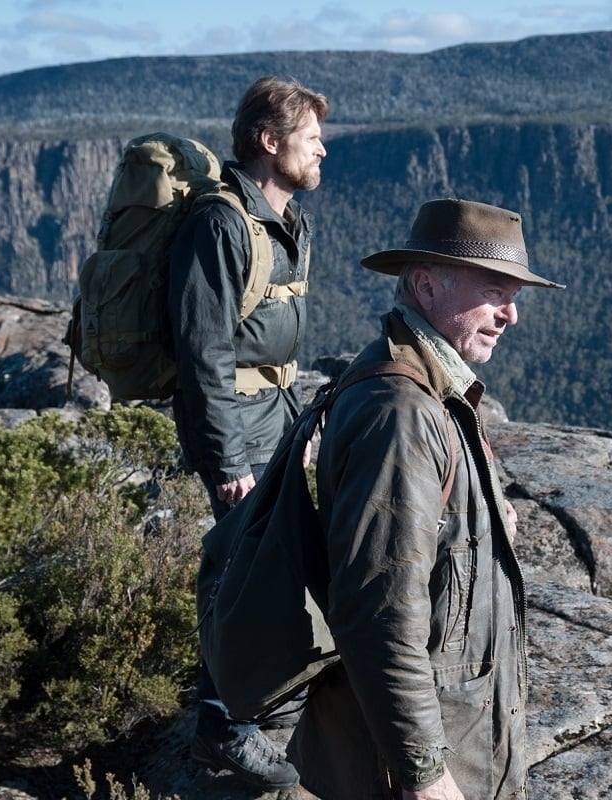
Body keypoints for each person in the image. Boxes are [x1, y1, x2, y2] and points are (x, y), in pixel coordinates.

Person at [291, 199, 562, 800]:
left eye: (516, 294)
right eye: (495, 290)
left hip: (459, 734)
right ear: (424, 285)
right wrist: (421, 771)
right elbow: (379, 610)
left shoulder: (434, 389)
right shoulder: (401, 415)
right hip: (410, 765)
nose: (511, 314)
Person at [168, 75, 327, 790]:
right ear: (269, 141)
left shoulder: (283, 219)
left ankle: (250, 709)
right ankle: (222, 731)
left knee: (274, 567)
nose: (323, 151)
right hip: (240, 428)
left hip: (280, 417)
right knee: (242, 578)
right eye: (311, 139)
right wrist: (227, 457)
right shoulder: (221, 224)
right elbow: (201, 349)